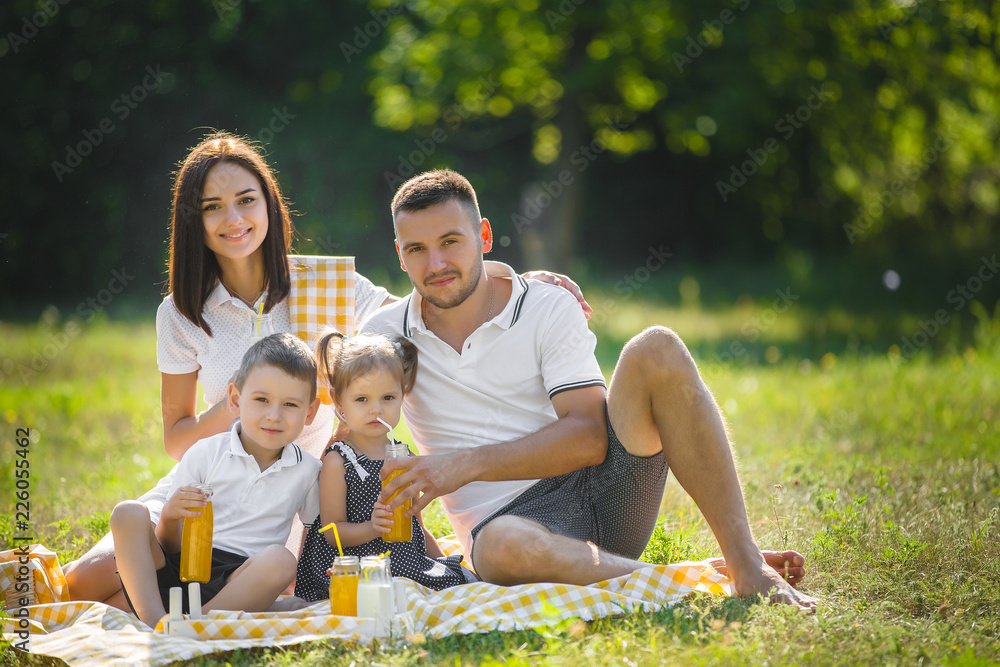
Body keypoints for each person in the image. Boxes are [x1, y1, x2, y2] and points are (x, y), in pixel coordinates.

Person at [64, 131, 585, 608]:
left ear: (269, 205)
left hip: (291, 496)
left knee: (140, 590)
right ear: (193, 220)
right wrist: (244, 403)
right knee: (85, 579)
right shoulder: (181, 311)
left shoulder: (326, 285)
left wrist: (513, 280)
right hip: (207, 482)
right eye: (213, 207)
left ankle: (168, 611)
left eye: (247, 200)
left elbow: (425, 297)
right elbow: (177, 439)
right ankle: (168, 603)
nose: (234, 219)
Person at [362, 169, 817, 611]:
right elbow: (349, 420)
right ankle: (686, 577)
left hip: (609, 494)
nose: (436, 264)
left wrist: (460, 467)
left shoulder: (545, 303)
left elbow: (589, 437)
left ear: (483, 237)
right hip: (510, 529)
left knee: (656, 347)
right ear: (400, 257)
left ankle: (746, 563)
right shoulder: (384, 336)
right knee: (501, 545)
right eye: (417, 249)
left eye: (450, 242)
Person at [110, 333, 322, 627]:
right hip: (179, 570)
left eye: (290, 405)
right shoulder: (205, 453)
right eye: (261, 399)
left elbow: (317, 539)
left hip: (236, 583)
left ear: (310, 412)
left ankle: (195, 626)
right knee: (127, 512)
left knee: (281, 561)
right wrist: (170, 517)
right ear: (235, 398)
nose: (274, 416)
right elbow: (169, 546)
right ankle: (157, 623)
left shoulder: (308, 470)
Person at [294, 332, 471, 602]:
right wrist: (373, 528)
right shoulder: (338, 460)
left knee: (448, 581)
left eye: (388, 398)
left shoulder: (404, 457)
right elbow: (332, 532)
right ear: (339, 401)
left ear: (403, 395)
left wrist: (440, 561)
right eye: (362, 399)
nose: (376, 410)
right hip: (355, 563)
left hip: (402, 557)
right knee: (395, 582)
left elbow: (415, 526)